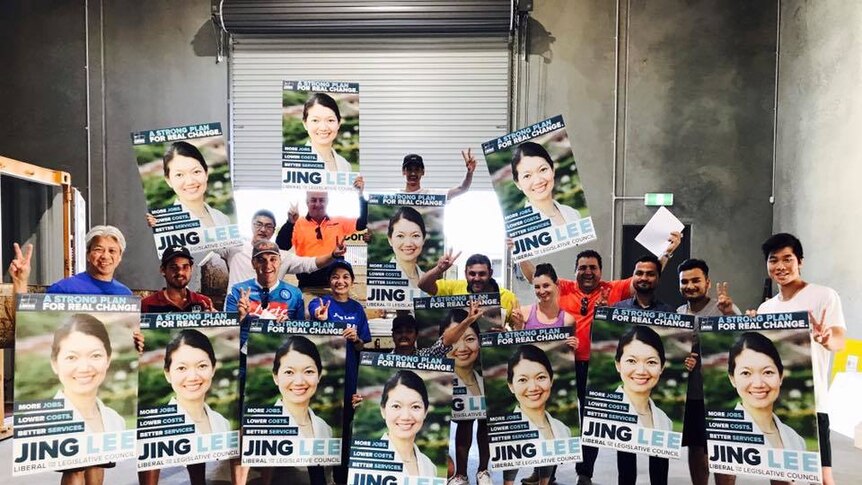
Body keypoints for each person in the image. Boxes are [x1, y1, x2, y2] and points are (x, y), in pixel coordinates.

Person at [517, 231, 681, 485]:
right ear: (575, 272)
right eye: (582, 267)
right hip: (566, 365)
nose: (588, 272)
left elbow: (648, 274)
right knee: (557, 416)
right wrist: (519, 250)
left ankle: (585, 474)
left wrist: (668, 252)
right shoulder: (564, 287)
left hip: (596, 366)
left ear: (600, 271)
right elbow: (532, 276)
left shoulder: (613, 290)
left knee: (592, 422)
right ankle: (545, 473)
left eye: (593, 267)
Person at [750, 233, 846, 485]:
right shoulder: (766, 308)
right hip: (775, 401)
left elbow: (839, 340)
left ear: (800, 261)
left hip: (811, 401)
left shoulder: (824, 296)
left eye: (787, 259)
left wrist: (825, 338)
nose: (780, 266)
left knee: (822, 476)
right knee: (780, 474)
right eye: (774, 260)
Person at [676, 258, 740, 485]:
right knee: (696, 448)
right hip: (692, 394)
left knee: (723, 452)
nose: (690, 286)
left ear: (708, 282)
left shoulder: (723, 308)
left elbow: (743, 340)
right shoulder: (679, 313)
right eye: (685, 281)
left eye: (696, 280)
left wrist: (731, 313)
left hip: (721, 395)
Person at [307, 261, 371, 484]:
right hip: (324, 379)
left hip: (350, 377)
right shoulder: (321, 302)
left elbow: (363, 346)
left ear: (352, 281)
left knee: (344, 431)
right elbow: (314, 312)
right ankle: (317, 478)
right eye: (335, 276)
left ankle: (341, 477)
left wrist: (357, 339)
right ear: (329, 281)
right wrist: (321, 318)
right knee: (316, 428)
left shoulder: (357, 309)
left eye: (345, 277)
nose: (340, 281)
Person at [218, 210, 342, 294]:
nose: (262, 229)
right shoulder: (235, 248)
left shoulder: (282, 256)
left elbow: (310, 264)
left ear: (273, 230)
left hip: (266, 317)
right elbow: (206, 245)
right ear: (251, 225)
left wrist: (333, 255)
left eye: (268, 226)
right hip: (235, 313)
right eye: (258, 224)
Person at [275, 182, 367, 289]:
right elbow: (281, 247)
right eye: (313, 200)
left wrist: (360, 195)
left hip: (335, 285)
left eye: (322, 200)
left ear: (327, 202)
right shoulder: (297, 223)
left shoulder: (339, 221)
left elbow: (363, 222)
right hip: (307, 285)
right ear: (307, 202)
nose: (318, 204)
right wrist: (290, 223)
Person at [503, 345, 571, 485]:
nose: (533, 388)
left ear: (551, 380)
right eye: (522, 380)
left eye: (540, 377)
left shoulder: (563, 429)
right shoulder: (505, 431)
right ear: (511, 386)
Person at [612, 326, 672, 485]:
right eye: (631, 361)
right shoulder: (602, 414)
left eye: (651, 362)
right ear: (618, 364)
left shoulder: (665, 420)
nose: (641, 371)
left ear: (662, 367)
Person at [726, 332, 806, 451]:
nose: (758, 384)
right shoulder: (722, 434)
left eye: (768, 372)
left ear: (781, 376)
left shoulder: (796, 439)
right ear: (733, 379)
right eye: (746, 373)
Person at [440, 309, 491, 485]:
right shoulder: (439, 382)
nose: (462, 348)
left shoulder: (488, 378)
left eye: (469, 339)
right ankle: (461, 475)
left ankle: (483, 471)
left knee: (486, 422)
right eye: (455, 340)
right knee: (465, 422)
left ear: (479, 341)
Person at [418, 252, 519, 327]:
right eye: (472, 274)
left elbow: (518, 330)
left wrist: (504, 335)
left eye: (482, 274)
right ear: (465, 273)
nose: (477, 278)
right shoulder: (453, 287)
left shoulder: (508, 297)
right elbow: (423, 285)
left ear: (491, 273)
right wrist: (439, 269)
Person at [224, 240, 304, 321]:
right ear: (253, 263)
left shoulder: (295, 294)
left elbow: (302, 330)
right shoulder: (237, 291)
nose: (268, 266)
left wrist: (289, 325)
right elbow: (228, 331)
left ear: (280, 262)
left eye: (273, 259)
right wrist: (241, 317)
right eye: (261, 260)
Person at [379, 370, 436, 477]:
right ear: (383, 410)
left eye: (415, 407)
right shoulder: (366, 459)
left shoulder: (429, 466)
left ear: (425, 412)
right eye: (396, 406)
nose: (405, 416)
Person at [272, 335, 332, 438]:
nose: (299, 382)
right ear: (276, 377)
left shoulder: (325, 428)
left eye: (308, 371)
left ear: (319, 375)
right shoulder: (258, 425)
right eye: (289, 372)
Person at [160, 141, 230, 228]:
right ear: (168, 181)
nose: (190, 181)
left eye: (196, 172)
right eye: (179, 175)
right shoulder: (166, 225)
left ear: (206, 173)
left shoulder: (222, 218)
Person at [510, 141, 579, 226]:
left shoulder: (573, 213)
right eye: (527, 176)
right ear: (518, 183)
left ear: (552, 169)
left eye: (543, 170)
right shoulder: (520, 228)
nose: (538, 181)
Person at [389, 300, 481, 358]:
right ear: (393, 335)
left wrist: (468, 320)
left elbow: (446, 340)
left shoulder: (428, 356)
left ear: (416, 335)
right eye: (399, 332)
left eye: (409, 331)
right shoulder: (383, 360)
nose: (404, 335)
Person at [141, 246, 214, 313]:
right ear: (163, 270)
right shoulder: (147, 304)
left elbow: (214, 326)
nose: (180, 272)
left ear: (191, 269)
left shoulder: (203, 302)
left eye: (185, 267)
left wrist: (216, 321)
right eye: (173, 267)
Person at [511, 263, 576, 331]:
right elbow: (517, 340)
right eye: (537, 287)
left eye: (546, 286)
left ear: (556, 284)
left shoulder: (568, 320)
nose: (542, 291)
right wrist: (519, 327)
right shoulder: (523, 313)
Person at [302, 92, 353, 172]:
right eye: (315, 120)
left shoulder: (345, 165)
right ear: (305, 124)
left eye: (330, 120)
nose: (323, 128)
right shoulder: (296, 163)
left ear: (338, 123)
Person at [401, 150, 476, 199]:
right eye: (409, 169)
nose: (413, 173)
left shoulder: (433, 195)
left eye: (417, 169)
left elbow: (462, 189)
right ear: (403, 172)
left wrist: (470, 172)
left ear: (423, 172)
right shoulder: (394, 196)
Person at [387, 206, 428, 288]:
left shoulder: (428, 280)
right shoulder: (379, 278)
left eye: (415, 235)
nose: (408, 243)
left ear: (423, 239)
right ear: (390, 239)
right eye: (400, 236)